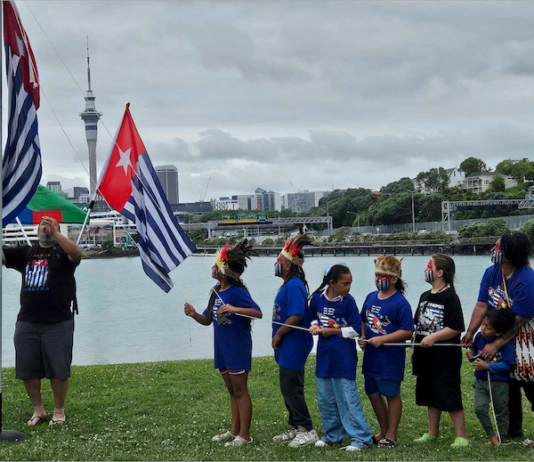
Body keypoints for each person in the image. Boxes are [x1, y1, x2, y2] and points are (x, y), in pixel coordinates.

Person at [2, 216, 82, 426]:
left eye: (52, 223)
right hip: (27, 321)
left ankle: (58, 411)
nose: (45, 225)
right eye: (42, 224)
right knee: (27, 368)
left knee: (59, 368)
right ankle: (38, 410)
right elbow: (3, 256)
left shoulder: (63, 253)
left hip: (58, 321)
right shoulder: (27, 253)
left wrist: (55, 233)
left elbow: (77, 254)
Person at [184, 240, 262, 447]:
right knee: (232, 392)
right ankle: (234, 430)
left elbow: (257, 312)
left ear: (224, 270)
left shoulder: (237, 293)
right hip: (222, 349)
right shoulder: (216, 292)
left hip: (237, 348)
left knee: (241, 391)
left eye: (217, 263)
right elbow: (208, 319)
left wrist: (235, 309)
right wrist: (193, 315)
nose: (213, 267)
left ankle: (244, 435)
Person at [462, 231, 534, 444]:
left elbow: (519, 320)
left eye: (498, 249)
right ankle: (513, 430)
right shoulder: (491, 272)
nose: (494, 251)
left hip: (526, 337)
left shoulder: (527, 279)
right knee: (508, 382)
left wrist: (495, 345)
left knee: (530, 382)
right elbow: (482, 304)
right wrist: (470, 332)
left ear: (510, 256)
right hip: (500, 332)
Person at [309, 264, 373, 452]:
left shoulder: (348, 301)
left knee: (347, 397)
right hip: (324, 356)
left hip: (344, 357)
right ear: (332, 282)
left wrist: (332, 331)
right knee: (325, 398)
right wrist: (314, 325)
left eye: (350, 284)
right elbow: (312, 316)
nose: (348, 287)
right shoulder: (317, 298)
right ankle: (332, 435)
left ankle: (361, 438)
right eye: (345, 283)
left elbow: (355, 329)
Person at [412, 254, 469, 448]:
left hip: (445, 357)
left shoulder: (450, 296)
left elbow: (456, 327)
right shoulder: (424, 296)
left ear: (440, 272)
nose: (426, 270)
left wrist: (433, 338)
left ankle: (462, 435)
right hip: (424, 356)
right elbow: (416, 324)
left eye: (430, 266)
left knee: (449, 391)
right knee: (429, 392)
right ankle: (432, 432)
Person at [358, 255, 414, 449]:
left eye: (382, 275)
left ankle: (392, 435)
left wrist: (382, 339)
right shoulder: (370, 297)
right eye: (376, 275)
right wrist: (362, 337)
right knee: (373, 393)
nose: (377, 279)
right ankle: (383, 430)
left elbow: (407, 330)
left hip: (390, 359)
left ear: (393, 279)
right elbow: (363, 319)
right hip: (371, 358)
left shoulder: (400, 303)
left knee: (391, 394)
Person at [272, 233, 318, 447]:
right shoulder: (290, 284)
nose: (276, 264)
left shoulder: (294, 285)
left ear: (288, 266)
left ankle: (307, 429)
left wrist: (279, 334)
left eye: (279, 261)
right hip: (287, 345)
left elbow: (297, 314)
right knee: (286, 386)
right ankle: (294, 425)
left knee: (292, 387)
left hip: (294, 343)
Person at [467, 309, 516, 446]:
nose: (483, 329)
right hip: (481, 380)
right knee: (479, 409)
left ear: (498, 332)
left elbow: (508, 363)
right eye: (483, 324)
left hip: (499, 384)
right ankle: (491, 435)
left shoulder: (506, 344)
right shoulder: (479, 337)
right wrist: (472, 356)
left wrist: (489, 367)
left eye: (488, 327)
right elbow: (477, 353)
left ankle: (500, 439)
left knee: (501, 412)